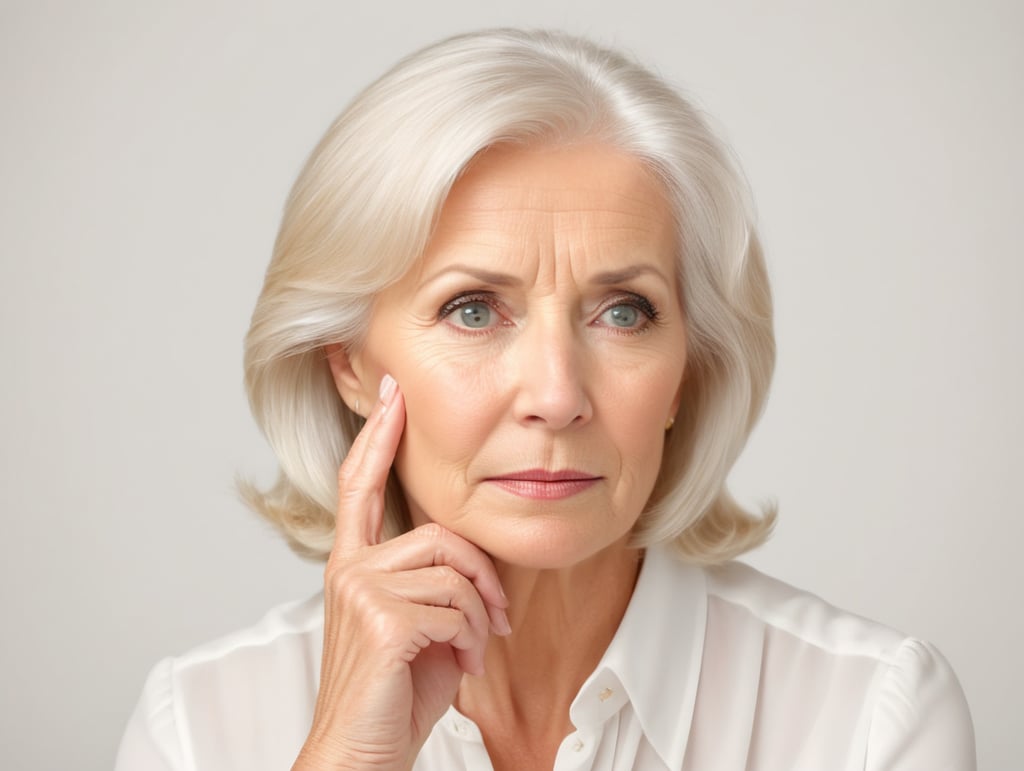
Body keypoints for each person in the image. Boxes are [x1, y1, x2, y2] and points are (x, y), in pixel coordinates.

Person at [115, 28, 975, 771]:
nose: (558, 396)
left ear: (687, 369)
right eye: (474, 310)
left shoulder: (872, 716)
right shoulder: (197, 725)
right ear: (346, 362)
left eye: (624, 312)